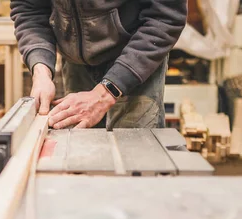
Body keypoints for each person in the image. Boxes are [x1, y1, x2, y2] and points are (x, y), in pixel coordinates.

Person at [10, 0, 188, 129]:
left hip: (134, 62)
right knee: (81, 155)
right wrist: (41, 70)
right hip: (76, 64)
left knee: (136, 156)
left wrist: (107, 92)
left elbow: (165, 17)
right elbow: (29, 9)